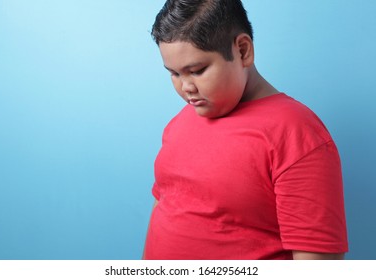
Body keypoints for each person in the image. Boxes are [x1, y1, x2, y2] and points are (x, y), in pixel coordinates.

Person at [143, 0, 348, 260]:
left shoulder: (296, 133)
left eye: (196, 71)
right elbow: (165, 204)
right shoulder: (181, 120)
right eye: (174, 74)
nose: (186, 88)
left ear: (242, 50)